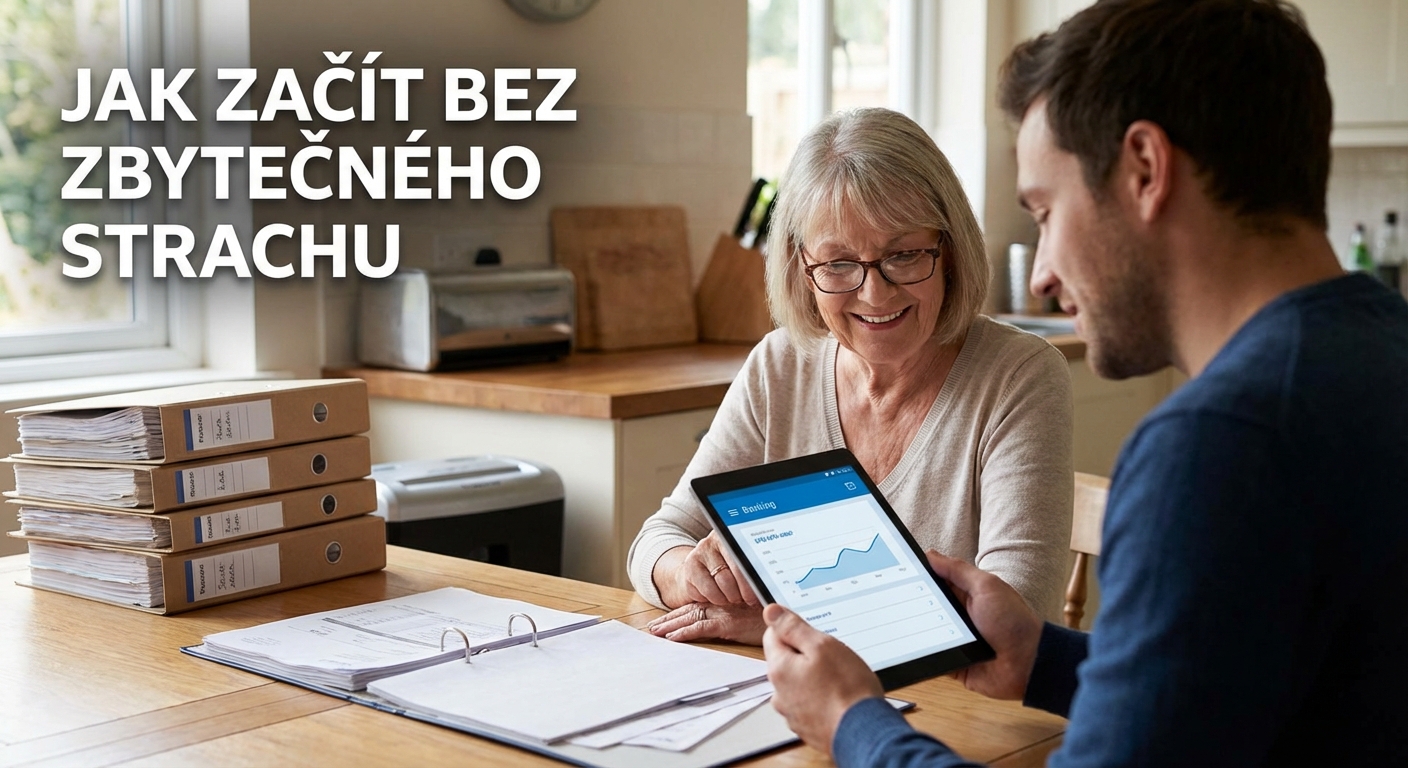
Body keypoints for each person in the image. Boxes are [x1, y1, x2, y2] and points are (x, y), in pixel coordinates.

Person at [760, 1, 1408, 765]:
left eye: (1043, 209)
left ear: (1144, 170)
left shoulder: (1221, 443)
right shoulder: (1379, 351)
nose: (1041, 275)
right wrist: (1044, 658)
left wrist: (852, 721)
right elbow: (1261, 689)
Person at [627, 107, 1074, 644]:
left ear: (949, 250)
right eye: (838, 265)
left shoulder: (1019, 376)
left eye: (904, 255)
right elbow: (660, 538)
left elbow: (1015, 613)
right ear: (801, 267)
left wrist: (785, 623)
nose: (874, 294)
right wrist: (691, 574)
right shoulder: (780, 366)